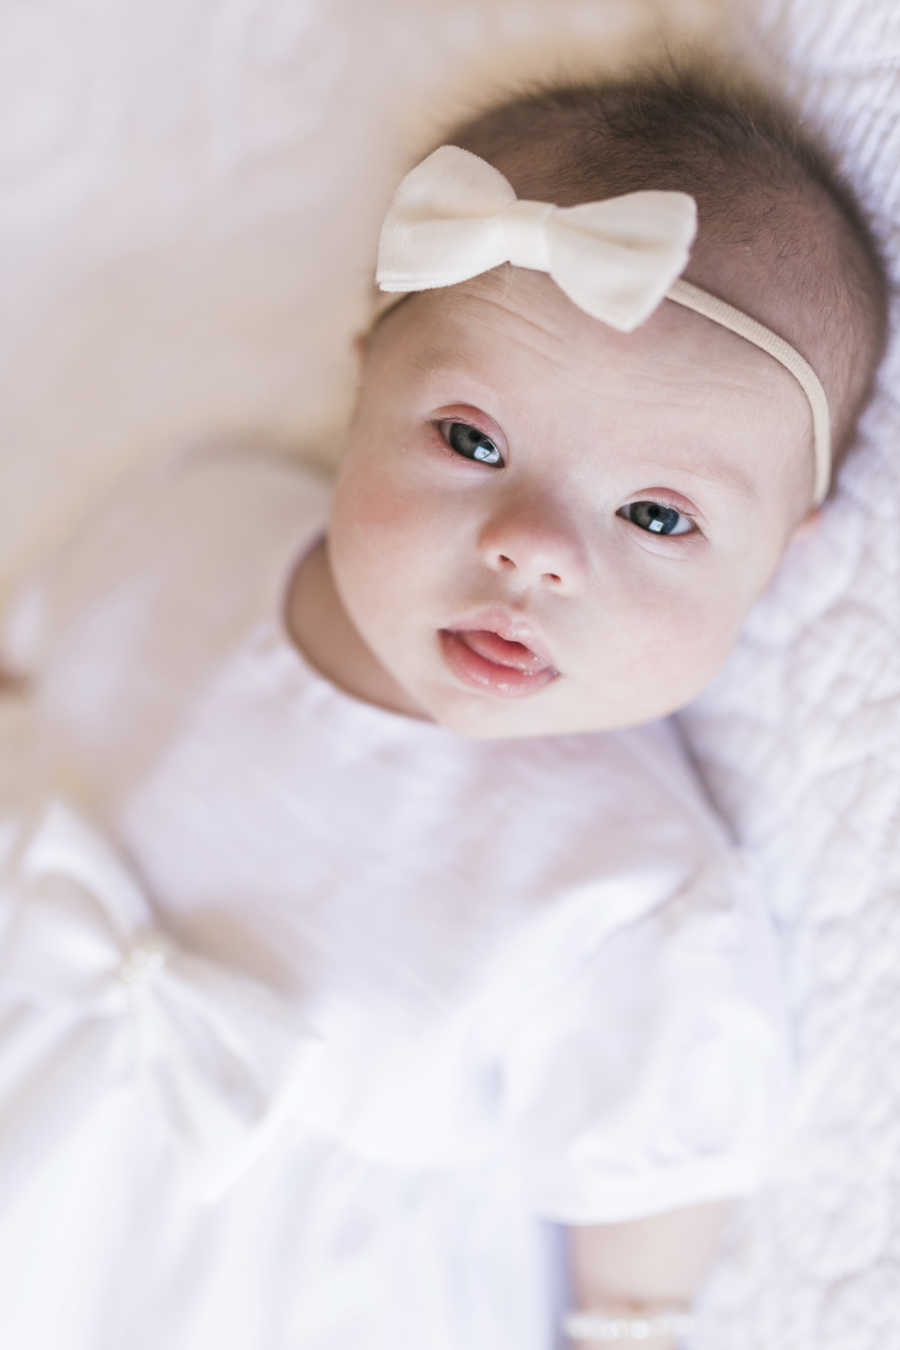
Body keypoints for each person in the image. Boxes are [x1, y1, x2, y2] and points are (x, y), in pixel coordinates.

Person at [0, 59, 887, 1350]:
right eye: (470, 439)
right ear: (364, 381)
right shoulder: (190, 521)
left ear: (782, 558)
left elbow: (643, 1191)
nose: (533, 547)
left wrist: (630, 1324)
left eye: (656, 515)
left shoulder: (626, 885)